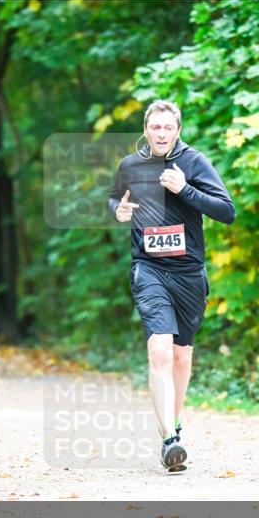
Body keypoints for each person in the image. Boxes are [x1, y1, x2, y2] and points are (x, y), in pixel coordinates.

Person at [108, 99, 235, 472]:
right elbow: (116, 197)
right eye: (155, 127)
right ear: (145, 130)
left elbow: (227, 212)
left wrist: (185, 190)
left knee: (181, 357)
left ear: (177, 130)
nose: (161, 134)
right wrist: (118, 209)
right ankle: (169, 441)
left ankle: (174, 424)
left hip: (188, 273)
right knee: (159, 351)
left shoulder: (194, 163)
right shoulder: (131, 165)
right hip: (148, 268)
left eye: (168, 128)